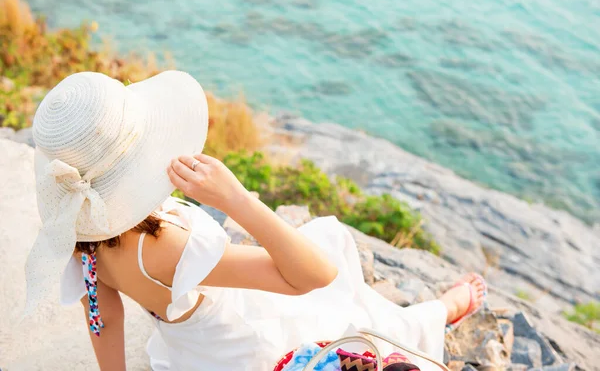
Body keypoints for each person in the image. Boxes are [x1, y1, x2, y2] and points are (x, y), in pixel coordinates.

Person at [24, 71, 486, 371]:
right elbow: (313, 277)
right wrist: (238, 199)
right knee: (334, 268)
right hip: (246, 348)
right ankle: (440, 313)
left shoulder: (79, 231)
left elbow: (101, 313)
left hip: (194, 353)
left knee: (323, 241)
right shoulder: (165, 243)